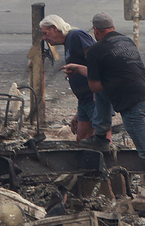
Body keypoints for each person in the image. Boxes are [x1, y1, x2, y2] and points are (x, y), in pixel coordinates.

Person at [62, 12, 145, 211]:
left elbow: (95, 87)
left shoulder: (96, 50)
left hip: (133, 104)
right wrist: (80, 68)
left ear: (96, 31)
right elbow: (111, 77)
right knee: (105, 94)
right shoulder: (126, 42)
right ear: (112, 27)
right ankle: (101, 137)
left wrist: (86, 75)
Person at [40, 14, 111, 142]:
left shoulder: (75, 35)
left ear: (55, 28)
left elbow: (97, 59)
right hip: (84, 100)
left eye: (46, 33)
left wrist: (97, 91)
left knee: (102, 137)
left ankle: (110, 161)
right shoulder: (68, 42)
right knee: (82, 137)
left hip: (93, 97)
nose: (45, 38)